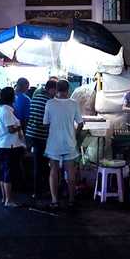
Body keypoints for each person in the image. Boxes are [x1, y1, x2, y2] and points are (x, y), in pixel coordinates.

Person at [43, 79, 83, 208]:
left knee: (54, 171)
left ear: (56, 89)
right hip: (69, 142)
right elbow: (80, 123)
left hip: (54, 143)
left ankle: (55, 201)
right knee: (70, 172)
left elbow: (46, 124)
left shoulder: (49, 103)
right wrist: (75, 135)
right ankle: (71, 200)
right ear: (68, 89)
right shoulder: (74, 104)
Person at [26, 80, 58, 198]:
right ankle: (40, 191)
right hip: (41, 135)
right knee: (42, 164)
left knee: (38, 163)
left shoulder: (36, 96)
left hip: (30, 134)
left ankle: (38, 190)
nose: (56, 93)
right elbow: (49, 121)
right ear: (52, 89)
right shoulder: (49, 101)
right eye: (56, 90)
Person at [0, 87, 26, 208]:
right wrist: (20, 126)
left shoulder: (2, 109)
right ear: (10, 97)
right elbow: (10, 129)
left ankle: (5, 198)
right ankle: (8, 200)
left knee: (3, 172)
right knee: (8, 173)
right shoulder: (7, 111)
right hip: (9, 146)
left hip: (4, 145)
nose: (16, 96)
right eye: (14, 95)